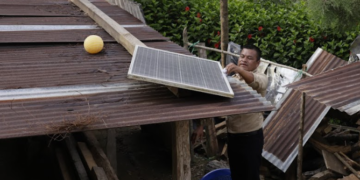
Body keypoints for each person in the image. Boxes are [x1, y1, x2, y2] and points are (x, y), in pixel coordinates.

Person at [224, 44, 268, 180]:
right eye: (242, 56)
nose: (244, 60)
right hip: (233, 135)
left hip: (251, 138)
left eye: (249, 58)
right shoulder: (233, 79)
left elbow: (254, 81)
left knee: (250, 175)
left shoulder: (261, 77)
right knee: (236, 174)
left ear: (257, 63)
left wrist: (238, 69)